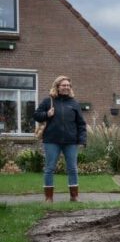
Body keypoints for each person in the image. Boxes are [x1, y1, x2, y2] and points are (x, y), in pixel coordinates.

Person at [33, 75, 86, 203]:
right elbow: (36, 115)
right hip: (51, 140)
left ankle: (74, 197)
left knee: (72, 168)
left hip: (70, 142)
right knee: (49, 168)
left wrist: (82, 139)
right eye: (64, 85)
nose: (66, 87)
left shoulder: (74, 103)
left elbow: (81, 123)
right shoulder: (48, 101)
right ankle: (49, 198)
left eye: (68, 85)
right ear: (57, 86)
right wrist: (47, 114)